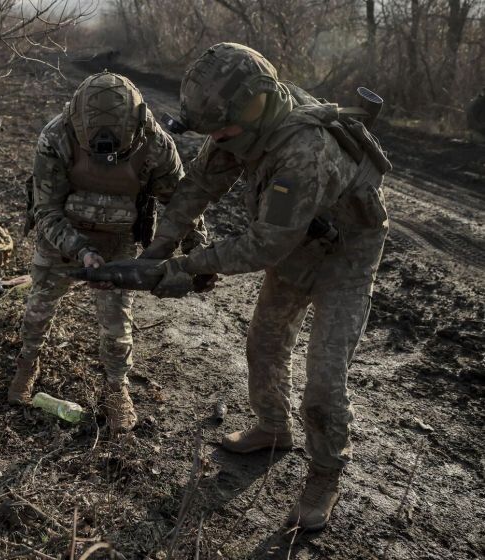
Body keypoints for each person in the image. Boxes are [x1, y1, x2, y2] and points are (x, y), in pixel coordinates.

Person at [141, 43, 391, 530]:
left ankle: (324, 473)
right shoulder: (242, 120)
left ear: (253, 107)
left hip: (346, 256)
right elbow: (199, 184)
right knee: (266, 342)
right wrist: (158, 247)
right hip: (299, 239)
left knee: (324, 375)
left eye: (223, 129)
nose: (220, 138)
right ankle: (273, 429)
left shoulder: (304, 151)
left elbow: (262, 247)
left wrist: (185, 266)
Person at [10, 71, 206, 433]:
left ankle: (117, 389)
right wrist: (80, 250)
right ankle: (28, 363)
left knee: (117, 329)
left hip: (119, 240)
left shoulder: (155, 144)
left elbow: (181, 204)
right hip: (62, 236)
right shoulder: (57, 136)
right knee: (38, 309)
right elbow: (46, 210)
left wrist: (199, 251)